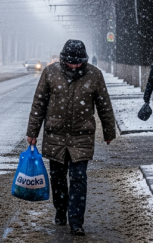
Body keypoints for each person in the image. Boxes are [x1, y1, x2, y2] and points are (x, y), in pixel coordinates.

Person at [26, 39, 117, 237]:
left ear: (83, 60)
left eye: (78, 62)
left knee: (79, 178)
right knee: (58, 178)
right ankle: (60, 210)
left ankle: (76, 221)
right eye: (70, 62)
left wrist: (109, 131)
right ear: (63, 59)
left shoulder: (94, 75)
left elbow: (104, 105)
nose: (74, 66)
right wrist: (32, 132)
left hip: (81, 136)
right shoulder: (50, 73)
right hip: (55, 135)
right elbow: (38, 104)